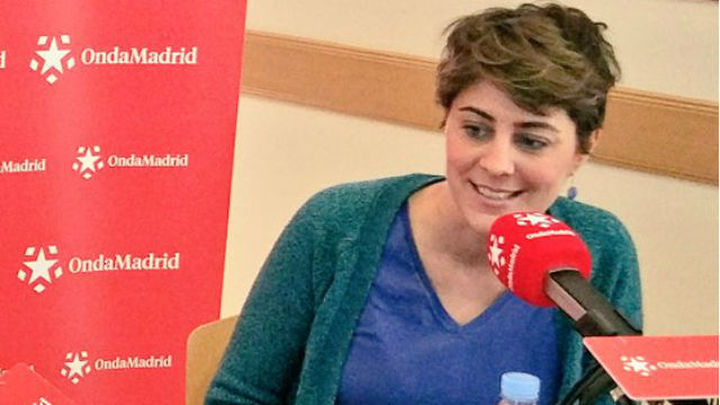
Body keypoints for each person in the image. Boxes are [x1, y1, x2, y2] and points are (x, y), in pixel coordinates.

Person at [205, 3, 642, 405]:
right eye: (475, 130)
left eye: (531, 141)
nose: (496, 164)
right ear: (446, 120)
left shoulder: (601, 250)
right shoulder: (336, 225)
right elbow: (238, 396)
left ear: (584, 148)